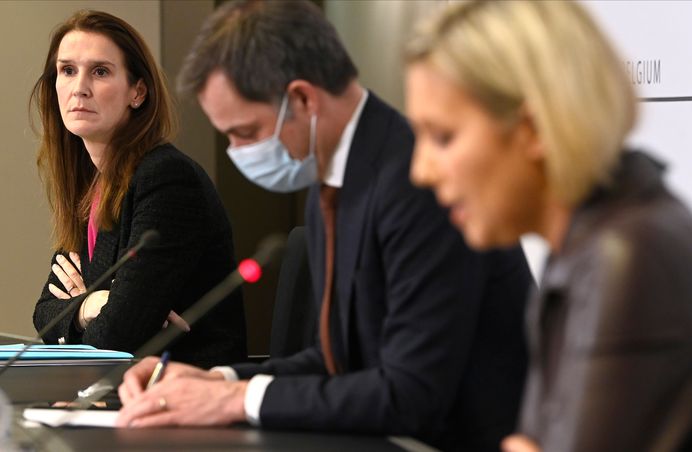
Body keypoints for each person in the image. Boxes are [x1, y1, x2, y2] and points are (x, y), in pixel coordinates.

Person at [116, 1, 533, 450]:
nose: (237, 152)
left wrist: (235, 400)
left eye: (246, 132)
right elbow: (338, 359)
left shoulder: (419, 180)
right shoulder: (332, 180)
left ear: (301, 99)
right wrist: (216, 380)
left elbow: (410, 394)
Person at [404, 1, 692, 451]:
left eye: (443, 137)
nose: (421, 171)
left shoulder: (625, 256)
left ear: (533, 129)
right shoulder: (592, 244)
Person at [31, 10, 247, 369]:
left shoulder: (165, 178)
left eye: (100, 71)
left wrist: (101, 309)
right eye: (67, 70)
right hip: (119, 393)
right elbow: (44, 317)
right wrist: (93, 303)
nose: (79, 87)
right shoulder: (90, 184)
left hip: (186, 398)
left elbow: (117, 336)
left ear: (138, 91)